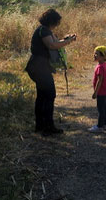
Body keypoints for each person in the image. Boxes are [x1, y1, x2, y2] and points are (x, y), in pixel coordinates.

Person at [25, 8, 77, 136]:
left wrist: (66, 40)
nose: (57, 25)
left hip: (40, 66)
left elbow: (55, 43)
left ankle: (41, 126)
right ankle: (48, 127)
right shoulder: (43, 30)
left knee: (43, 96)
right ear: (52, 21)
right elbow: (52, 46)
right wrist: (68, 41)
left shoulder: (44, 30)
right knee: (49, 96)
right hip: (39, 67)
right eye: (57, 22)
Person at [89, 46, 106, 133]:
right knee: (104, 108)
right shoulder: (104, 64)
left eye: (96, 54)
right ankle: (104, 123)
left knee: (100, 108)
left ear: (103, 56)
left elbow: (99, 81)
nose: (94, 55)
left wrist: (95, 92)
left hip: (101, 91)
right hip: (105, 90)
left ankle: (99, 125)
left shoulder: (100, 67)